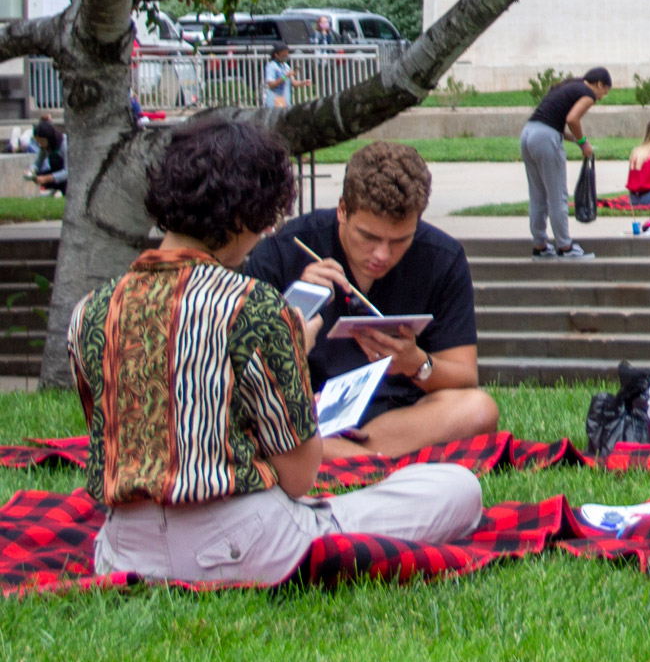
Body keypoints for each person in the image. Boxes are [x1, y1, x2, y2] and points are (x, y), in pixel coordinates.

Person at [71, 120, 483, 584]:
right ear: (246, 218)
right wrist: (287, 351)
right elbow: (298, 476)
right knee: (458, 488)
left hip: (121, 550)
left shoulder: (88, 310)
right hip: (244, 545)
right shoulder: (257, 309)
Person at [246, 141, 500, 459]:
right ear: (342, 210)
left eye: (399, 240)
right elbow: (244, 372)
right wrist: (293, 307)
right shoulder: (285, 251)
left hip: (396, 417)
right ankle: (356, 456)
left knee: (480, 410)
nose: (381, 255)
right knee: (253, 421)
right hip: (304, 410)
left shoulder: (441, 258)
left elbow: (464, 378)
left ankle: (340, 455)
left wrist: (416, 364)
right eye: (367, 236)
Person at [520, 67, 610, 261]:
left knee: (537, 195)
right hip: (545, 138)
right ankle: (565, 246)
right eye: (605, 92)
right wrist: (583, 143)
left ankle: (540, 245)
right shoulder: (587, 93)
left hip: (528, 133)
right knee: (557, 195)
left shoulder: (570, 86)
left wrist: (576, 141)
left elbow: (554, 122)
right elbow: (572, 119)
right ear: (600, 84)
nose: (602, 97)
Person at [262, 43, 311, 109]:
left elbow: (294, 83)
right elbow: (271, 84)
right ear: (276, 55)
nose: (285, 56)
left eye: (286, 55)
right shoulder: (271, 66)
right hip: (274, 99)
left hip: (285, 99)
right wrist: (285, 76)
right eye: (283, 55)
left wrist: (304, 82)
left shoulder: (285, 66)